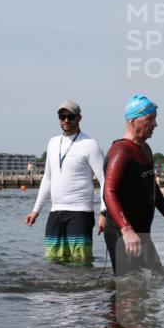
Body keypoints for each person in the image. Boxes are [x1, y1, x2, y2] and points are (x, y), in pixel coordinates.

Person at [103, 95, 164, 275]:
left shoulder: (145, 149)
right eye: (150, 119)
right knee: (129, 290)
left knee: (157, 278)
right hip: (122, 234)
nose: (155, 124)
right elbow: (109, 192)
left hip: (141, 233)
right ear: (133, 121)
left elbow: (151, 186)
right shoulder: (121, 151)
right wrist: (126, 229)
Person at [25, 101, 107, 265]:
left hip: (80, 213)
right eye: (62, 116)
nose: (66, 120)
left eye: (70, 116)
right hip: (56, 213)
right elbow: (47, 178)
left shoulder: (89, 144)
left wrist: (103, 213)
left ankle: (84, 291)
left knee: (81, 262)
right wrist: (36, 210)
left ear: (79, 118)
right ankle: (57, 292)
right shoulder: (53, 142)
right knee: (53, 261)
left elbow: (104, 180)